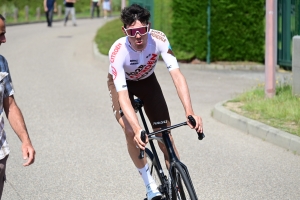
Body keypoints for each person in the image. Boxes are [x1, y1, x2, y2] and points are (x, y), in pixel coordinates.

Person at [107, 4, 203, 200]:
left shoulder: (159, 40)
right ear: (124, 30)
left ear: (148, 27)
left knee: (165, 136)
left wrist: (189, 111)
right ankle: (150, 187)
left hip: (147, 83)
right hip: (122, 86)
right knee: (130, 131)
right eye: (132, 32)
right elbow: (123, 96)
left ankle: (176, 179)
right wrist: (136, 127)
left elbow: (176, 75)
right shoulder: (118, 52)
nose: (138, 36)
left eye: (142, 30)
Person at [0, 14, 36, 199]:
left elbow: (10, 105)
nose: (4, 40)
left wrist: (25, 140)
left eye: (3, 33)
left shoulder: (1, 62)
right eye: (0, 35)